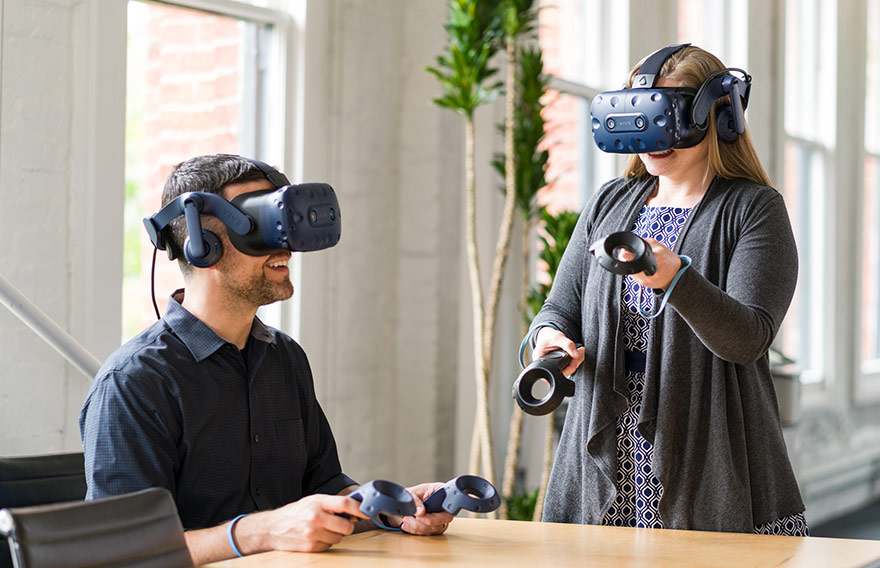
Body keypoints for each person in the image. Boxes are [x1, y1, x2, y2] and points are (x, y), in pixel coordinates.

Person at [80, 154, 453, 565]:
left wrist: (389, 508)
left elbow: (324, 486)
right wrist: (263, 531)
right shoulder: (133, 383)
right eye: (262, 225)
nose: (286, 245)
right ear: (203, 245)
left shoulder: (285, 358)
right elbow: (123, 549)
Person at [527, 45, 808, 535]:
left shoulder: (755, 209)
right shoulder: (609, 202)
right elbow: (560, 307)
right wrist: (548, 337)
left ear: (719, 120)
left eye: (669, 118)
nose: (653, 137)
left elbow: (748, 338)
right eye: (641, 117)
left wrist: (676, 280)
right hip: (606, 451)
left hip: (708, 453)